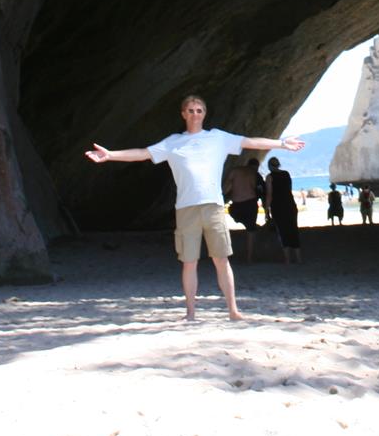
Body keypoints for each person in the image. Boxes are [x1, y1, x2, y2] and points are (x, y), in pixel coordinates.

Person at [85, 94, 304, 320]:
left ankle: (233, 310)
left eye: (199, 110)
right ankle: (190, 313)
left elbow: (250, 142)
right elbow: (142, 154)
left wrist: (282, 144)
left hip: (213, 207)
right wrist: (110, 155)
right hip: (186, 209)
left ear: (204, 113)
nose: (195, 114)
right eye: (190, 110)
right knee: (189, 262)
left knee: (221, 260)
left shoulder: (218, 138)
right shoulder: (173, 142)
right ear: (183, 114)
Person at [264, 156, 303, 263]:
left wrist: (267, 211)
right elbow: (288, 189)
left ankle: (288, 259)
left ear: (269, 166)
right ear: (278, 165)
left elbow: (269, 195)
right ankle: (299, 258)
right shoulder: (286, 174)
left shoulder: (269, 177)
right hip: (290, 205)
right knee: (293, 230)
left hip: (278, 206)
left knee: (282, 231)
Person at [224, 157, 261, 264]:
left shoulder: (235, 170)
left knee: (236, 215)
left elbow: (226, 188)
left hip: (236, 204)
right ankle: (249, 258)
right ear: (256, 166)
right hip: (250, 203)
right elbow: (257, 189)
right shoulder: (254, 173)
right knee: (251, 230)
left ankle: (245, 222)